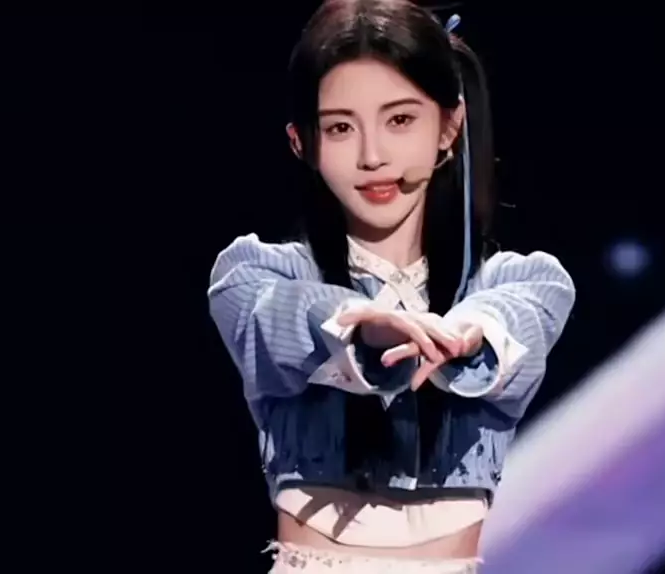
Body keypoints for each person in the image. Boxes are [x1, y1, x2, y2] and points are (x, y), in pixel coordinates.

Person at [207, 1, 575, 571]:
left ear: (449, 127)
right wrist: (365, 328)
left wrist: (462, 336)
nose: (373, 156)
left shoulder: (517, 281)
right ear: (301, 142)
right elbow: (278, 317)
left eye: (400, 120)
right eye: (340, 128)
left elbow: (517, 316)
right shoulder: (257, 275)